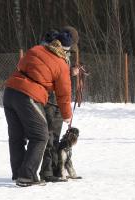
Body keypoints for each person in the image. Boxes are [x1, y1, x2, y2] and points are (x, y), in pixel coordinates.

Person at [3, 29, 74, 186]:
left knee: (17, 137)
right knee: (41, 136)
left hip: (9, 92)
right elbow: (64, 94)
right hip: (28, 96)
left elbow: (22, 65)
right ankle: (27, 176)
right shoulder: (61, 64)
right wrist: (67, 115)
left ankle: (19, 173)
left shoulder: (36, 49)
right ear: (65, 50)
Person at [39, 26, 80, 182]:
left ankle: (56, 169)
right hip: (50, 98)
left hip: (55, 99)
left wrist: (71, 72)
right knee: (49, 136)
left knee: (55, 136)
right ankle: (47, 172)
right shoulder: (52, 49)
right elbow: (53, 72)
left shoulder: (59, 50)